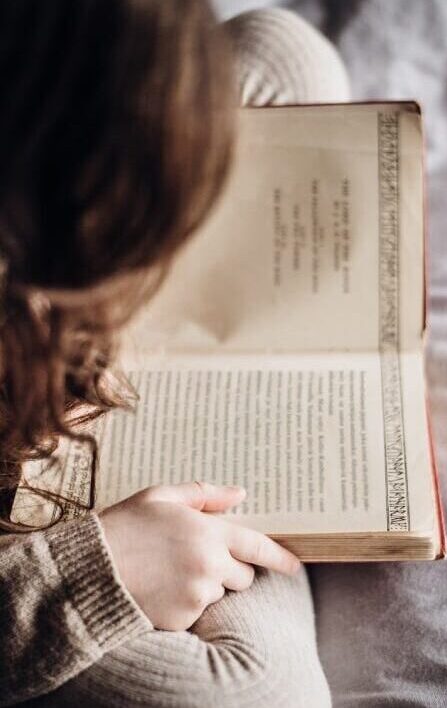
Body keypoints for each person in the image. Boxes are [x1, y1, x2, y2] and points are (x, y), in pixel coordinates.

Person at [0, 2, 350, 706]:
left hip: (67, 334)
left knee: (285, 62)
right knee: (254, 694)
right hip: (31, 522)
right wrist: (96, 574)